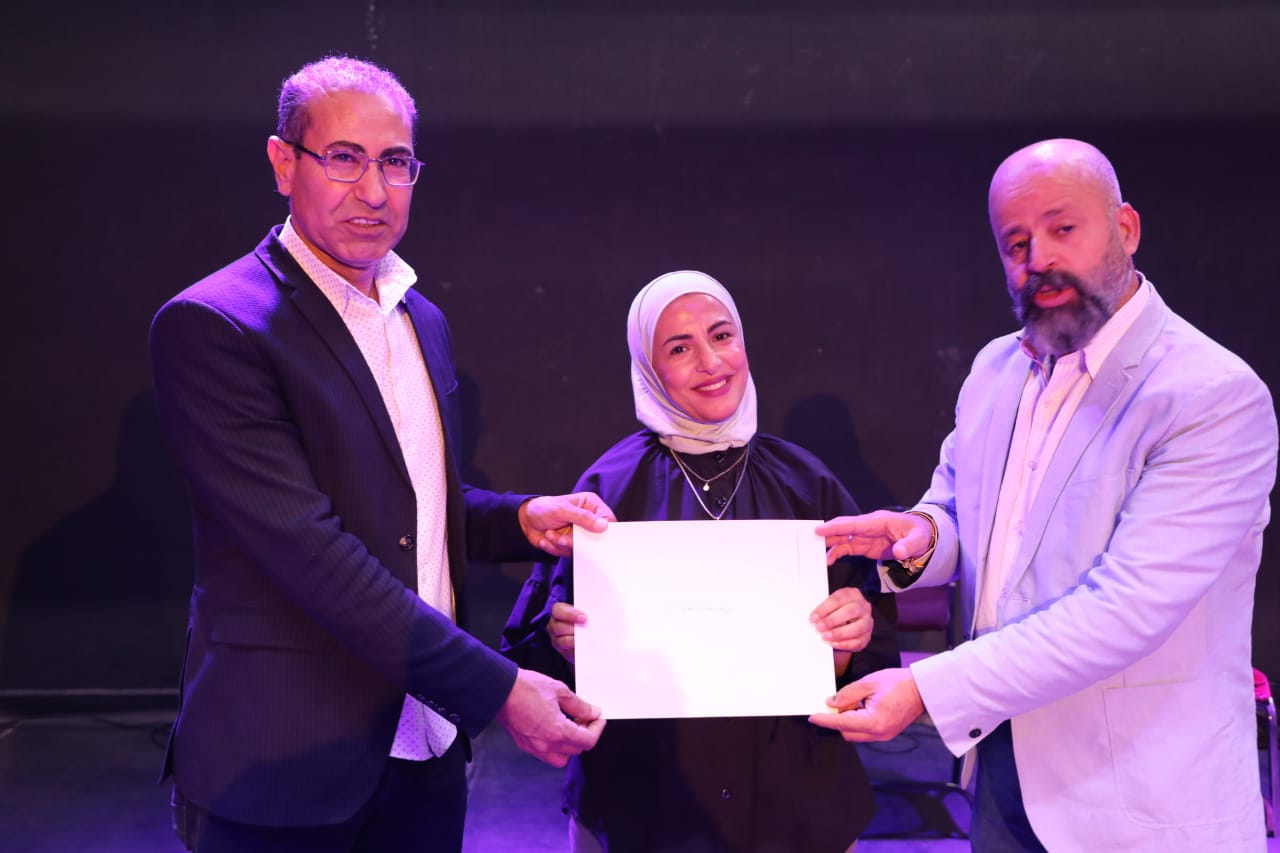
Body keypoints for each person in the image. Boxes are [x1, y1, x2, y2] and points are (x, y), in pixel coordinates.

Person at [149, 55, 612, 853]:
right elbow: (310, 551)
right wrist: (499, 688)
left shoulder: (419, 317)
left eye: (395, 163)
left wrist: (518, 519)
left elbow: (403, 505)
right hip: (282, 765)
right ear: (283, 163)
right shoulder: (217, 325)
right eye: (344, 158)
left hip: (424, 747)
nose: (373, 190)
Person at [811, 138, 1278, 851]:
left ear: (1125, 228)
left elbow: (1125, 608)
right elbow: (960, 508)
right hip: (1002, 776)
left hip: (1141, 800)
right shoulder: (995, 369)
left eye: (1063, 228)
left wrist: (927, 688)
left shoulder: (1211, 395)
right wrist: (921, 535)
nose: (1040, 258)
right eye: (1017, 242)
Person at [502, 270, 899, 852]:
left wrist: (848, 640)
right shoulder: (605, 489)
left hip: (792, 806)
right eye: (679, 348)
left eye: (721, 336)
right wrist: (566, 647)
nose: (712, 363)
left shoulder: (807, 483)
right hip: (646, 806)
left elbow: (873, 654)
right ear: (648, 368)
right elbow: (536, 661)